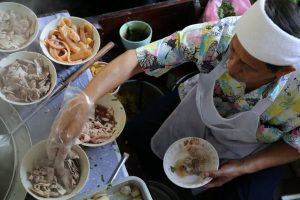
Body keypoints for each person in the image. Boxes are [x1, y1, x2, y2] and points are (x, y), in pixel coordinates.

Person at [47, 0, 300, 199]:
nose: (232, 66)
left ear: (283, 71)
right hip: (199, 105)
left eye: (247, 67)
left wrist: (243, 167)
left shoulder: (296, 93)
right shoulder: (221, 35)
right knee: (137, 135)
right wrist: (86, 100)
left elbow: (295, 145)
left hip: (254, 146)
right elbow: (138, 58)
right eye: (233, 51)